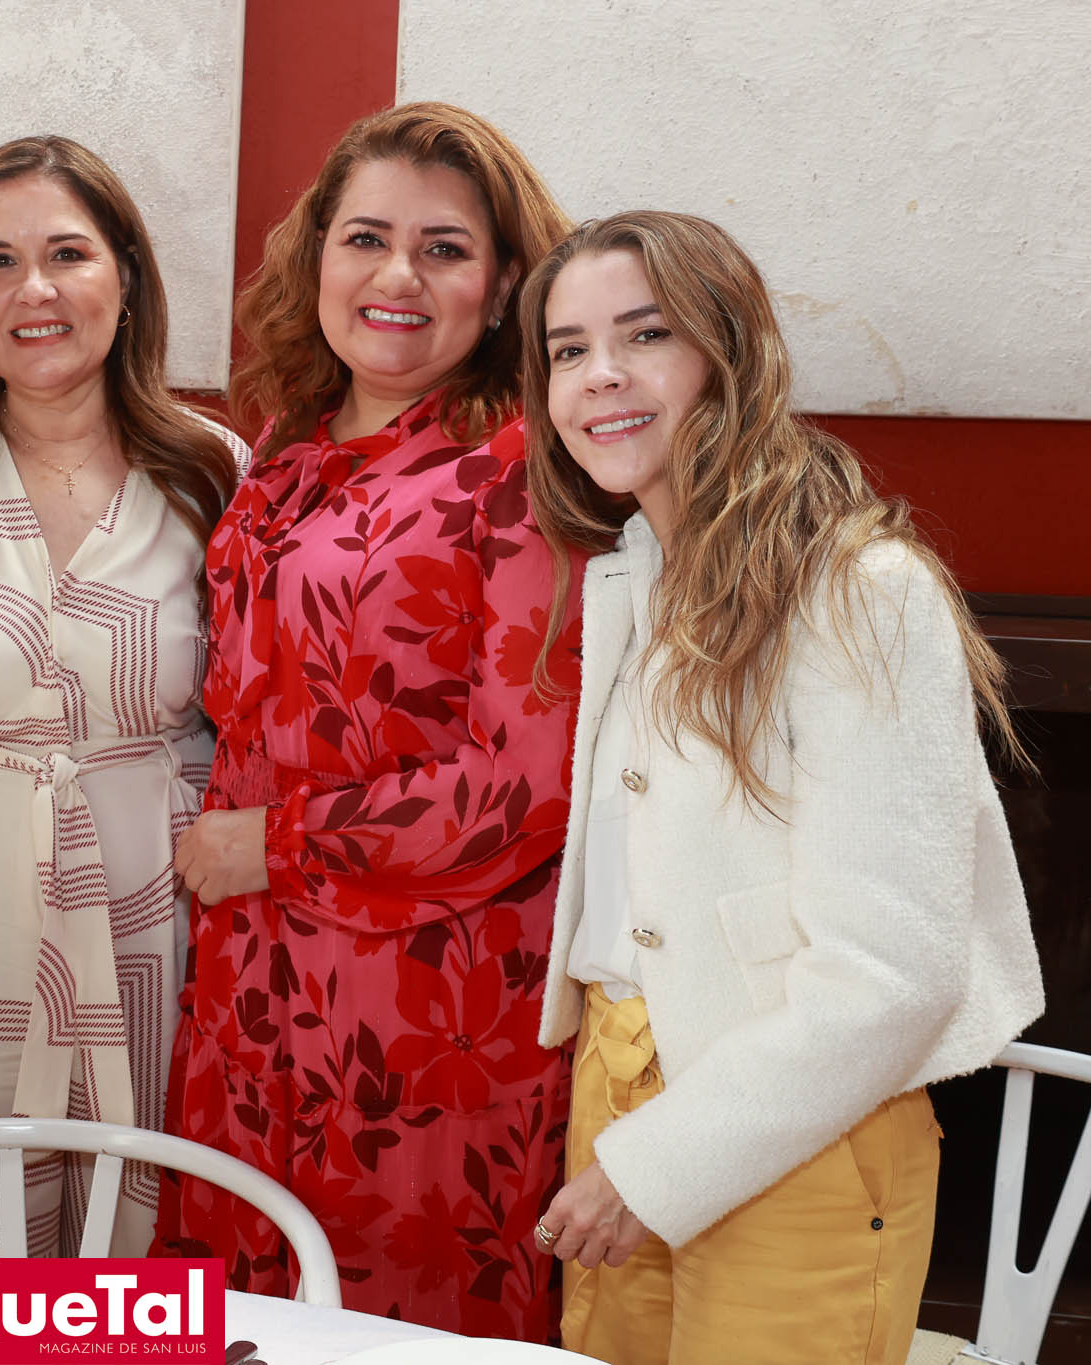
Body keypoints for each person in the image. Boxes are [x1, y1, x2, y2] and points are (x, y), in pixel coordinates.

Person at [520, 210, 1042, 1364]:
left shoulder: (862, 590)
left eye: (642, 334)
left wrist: (655, 1166)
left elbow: (891, 976)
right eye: (565, 349)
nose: (597, 374)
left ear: (728, 352)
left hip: (803, 1131)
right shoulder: (629, 580)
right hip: (616, 1092)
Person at [153, 103, 579, 1337]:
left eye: (444, 249)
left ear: (503, 288)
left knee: (391, 1328)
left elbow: (525, 781)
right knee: (239, 1318)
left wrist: (274, 845)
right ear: (317, 258)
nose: (397, 276)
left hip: (425, 1008)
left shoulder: (521, 472)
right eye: (365, 239)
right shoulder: (285, 452)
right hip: (249, 983)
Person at [0, 136, 245, 1256]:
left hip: (158, 894)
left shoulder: (212, 469)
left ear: (125, 278)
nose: (32, 289)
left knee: (150, 1214)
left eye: (67, 254)